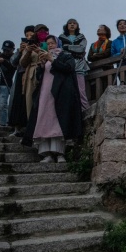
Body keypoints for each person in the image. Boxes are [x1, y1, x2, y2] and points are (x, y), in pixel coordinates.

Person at [22, 35, 82, 163]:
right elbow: (39, 77)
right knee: (44, 121)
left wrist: (53, 59)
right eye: (48, 43)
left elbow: (69, 68)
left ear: (58, 43)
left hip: (59, 94)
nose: (50, 45)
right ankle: (47, 154)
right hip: (45, 93)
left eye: (52, 43)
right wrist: (42, 65)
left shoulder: (66, 56)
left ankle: (60, 153)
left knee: (57, 122)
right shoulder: (44, 57)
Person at [8, 26, 35, 136]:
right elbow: (13, 62)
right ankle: (16, 128)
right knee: (17, 101)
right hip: (20, 75)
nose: (28, 37)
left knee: (28, 101)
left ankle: (28, 127)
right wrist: (20, 51)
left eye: (31, 35)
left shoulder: (36, 46)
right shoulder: (20, 49)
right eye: (27, 35)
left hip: (31, 75)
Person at [59, 19, 90, 111]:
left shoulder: (81, 37)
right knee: (67, 90)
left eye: (74, 23)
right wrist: (73, 49)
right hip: (65, 65)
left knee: (81, 90)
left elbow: (82, 48)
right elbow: (60, 50)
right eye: (70, 23)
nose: (72, 25)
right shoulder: (61, 38)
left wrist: (67, 47)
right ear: (66, 25)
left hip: (79, 65)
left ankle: (85, 110)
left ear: (77, 26)